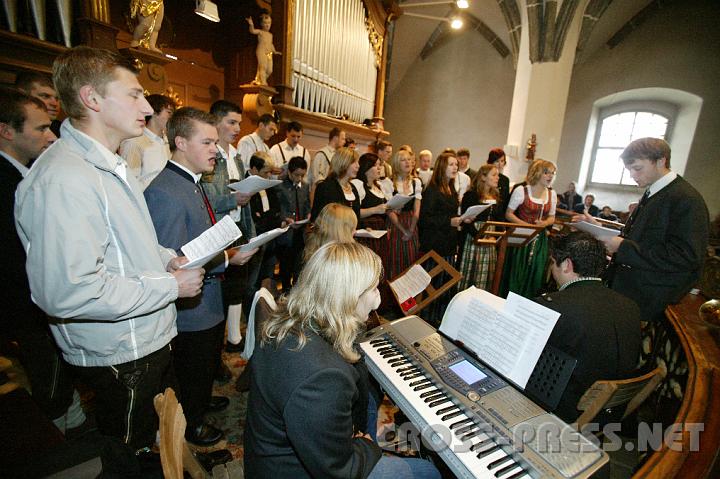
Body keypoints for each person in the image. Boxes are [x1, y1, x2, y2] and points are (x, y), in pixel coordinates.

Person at [14, 46, 205, 451]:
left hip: (143, 339)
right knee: (129, 456)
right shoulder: (65, 178)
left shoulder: (107, 164)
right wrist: (171, 287)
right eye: (134, 94)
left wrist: (166, 257)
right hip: (122, 354)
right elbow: (69, 292)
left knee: (160, 443)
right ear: (92, 98)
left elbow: (127, 240)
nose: (148, 106)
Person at [244, 241, 440, 479]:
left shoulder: (289, 321)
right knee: (427, 472)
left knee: (369, 393)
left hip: (270, 454)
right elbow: (340, 471)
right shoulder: (323, 377)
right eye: (374, 290)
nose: (378, 301)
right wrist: (367, 445)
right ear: (348, 297)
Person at [144, 107, 258, 446]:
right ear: (180, 142)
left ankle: (201, 403)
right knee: (191, 368)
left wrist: (228, 254)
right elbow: (170, 261)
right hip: (190, 307)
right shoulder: (165, 190)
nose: (215, 149)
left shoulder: (190, 183)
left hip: (207, 297)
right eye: (206, 142)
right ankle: (191, 425)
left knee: (205, 363)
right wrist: (229, 257)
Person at [0, 88, 85, 431]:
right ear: (7, 131)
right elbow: (16, 257)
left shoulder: (26, 173)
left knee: (59, 382)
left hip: (38, 303)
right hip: (26, 307)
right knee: (49, 386)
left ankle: (72, 434)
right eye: (40, 129)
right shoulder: (7, 183)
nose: (51, 136)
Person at [581, 137, 709, 323]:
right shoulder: (654, 192)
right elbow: (644, 237)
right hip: (628, 288)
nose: (632, 175)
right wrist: (600, 228)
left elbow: (687, 256)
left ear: (661, 161)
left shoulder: (686, 199)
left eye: (638, 168)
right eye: (629, 169)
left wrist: (623, 247)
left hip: (650, 295)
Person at [535, 231, 640, 423]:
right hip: (611, 411)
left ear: (566, 265)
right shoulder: (630, 305)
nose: (551, 268)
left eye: (552, 262)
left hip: (565, 413)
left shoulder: (551, 307)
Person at [419, 152, 471, 324]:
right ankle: (426, 320)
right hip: (434, 246)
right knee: (432, 286)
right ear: (442, 167)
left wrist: (463, 219)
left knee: (445, 287)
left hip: (448, 243)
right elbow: (425, 219)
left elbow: (449, 214)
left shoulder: (451, 188)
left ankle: (440, 320)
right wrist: (450, 221)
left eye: (456, 164)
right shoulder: (432, 189)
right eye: (451, 164)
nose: (455, 167)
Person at [503, 159, 557, 298]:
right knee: (517, 271)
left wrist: (543, 224)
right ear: (537, 173)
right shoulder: (522, 191)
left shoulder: (552, 194)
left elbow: (552, 217)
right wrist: (527, 226)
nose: (550, 176)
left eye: (552, 173)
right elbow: (508, 214)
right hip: (521, 238)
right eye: (546, 172)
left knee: (536, 271)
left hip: (540, 241)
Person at [457, 164, 504, 292]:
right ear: (483, 177)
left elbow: (500, 219)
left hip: (490, 239)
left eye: (498, 175)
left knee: (486, 274)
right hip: (474, 238)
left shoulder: (496, 197)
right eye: (494, 175)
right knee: (472, 272)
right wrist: (480, 235)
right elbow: (466, 221)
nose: (497, 178)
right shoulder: (471, 195)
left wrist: (495, 235)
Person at [381, 148, 422, 285]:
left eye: (409, 160)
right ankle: (395, 299)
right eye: (403, 160)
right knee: (395, 260)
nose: (408, 162)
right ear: (397, 163)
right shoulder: (388, 182)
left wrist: (411, 229)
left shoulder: (416, 182)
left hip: (412, 223)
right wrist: (404, 230)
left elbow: (417, 210)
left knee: (411, 260)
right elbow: (388, 210)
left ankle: (410, 298)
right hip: (395, 225)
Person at [119, 93, 174, 189]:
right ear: (154, 112)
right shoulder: (134, 141)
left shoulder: (169, 142)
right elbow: (129, 181)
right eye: (169, 112)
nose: (172, 118)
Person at [247, 151, 284, 285]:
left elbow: (276, 208)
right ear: (255, 169)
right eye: (266, 172)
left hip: (271, 237)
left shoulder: (268, 184)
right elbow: (254, 217)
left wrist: (273, 218)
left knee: (268, 278)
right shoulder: (245, 186)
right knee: (252, 281)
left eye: (270, 172)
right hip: (256, 239)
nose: (269, 176)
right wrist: (267, 218)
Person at [276, 156, 311, 290]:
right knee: (285, 265)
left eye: (302, 175)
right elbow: (277, 209)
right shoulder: (280, 187)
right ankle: (285, 290)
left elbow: (307, 204)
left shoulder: (305, 186)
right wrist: (285, 219)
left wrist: (308, 214)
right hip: (286, 232)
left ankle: (296, 290)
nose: (299, 178)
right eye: (296, 175)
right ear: (289, 172)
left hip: (300, 231)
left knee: (299, 264)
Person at [311, 147, 361, 221]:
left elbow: (357, 218)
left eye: (358, 162)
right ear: (343, 163)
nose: (358, 166)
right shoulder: (325, 187)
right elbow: (317, 218)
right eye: (354, 162)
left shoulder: (353, 188)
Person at [14, 71, 61, 137]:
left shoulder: (64, 130)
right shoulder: (8, 127)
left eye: (57, 99)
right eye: (45, 96)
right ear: (23, 95)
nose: (55, 103)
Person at [308, 127, 345, 199]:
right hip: (323, 193)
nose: (344, 141)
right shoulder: (321, 154)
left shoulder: (338, 154)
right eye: (342, 138)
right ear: (335, 138)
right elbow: (316, 177)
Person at [246, 12, 280, 85]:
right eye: (265, 23)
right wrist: (251, 24)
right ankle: (263, 82)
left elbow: (271, 44)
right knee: (263, 67)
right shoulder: (260, 32)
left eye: (269, 23)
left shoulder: (271, 35)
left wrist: (274, 51)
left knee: (270, 70)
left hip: (269, 53)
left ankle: (259, 79)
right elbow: (252, 31)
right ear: (261, 24)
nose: (267, 25)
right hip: (261, 51)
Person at [487, 147, 510, 212]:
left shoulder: (505, 180)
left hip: (499, 213)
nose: (500, 164)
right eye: (497, 161)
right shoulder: (485, 176)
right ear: (491, 162)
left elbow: (505, 201)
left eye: (502, 161)